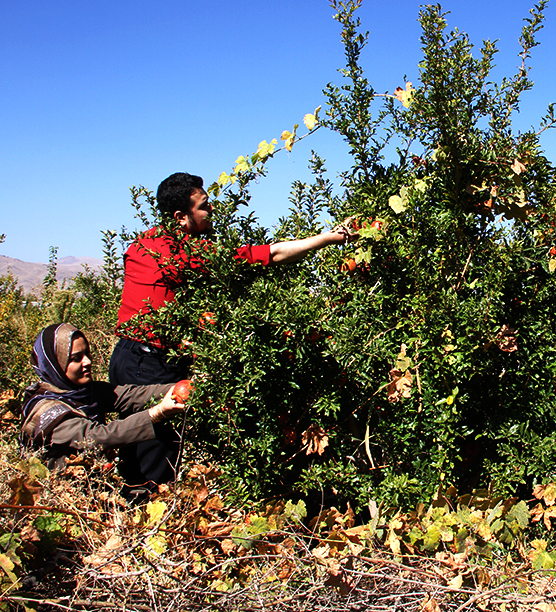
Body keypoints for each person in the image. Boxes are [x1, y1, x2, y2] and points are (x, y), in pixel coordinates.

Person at [110, 172, 354, 386]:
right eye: (204, 206)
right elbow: (274, 253)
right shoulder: (190, 256)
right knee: (158, 438)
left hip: (123, 358)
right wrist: (330, 238)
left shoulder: (140, 243)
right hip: (150, 365)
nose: (212, 210)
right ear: (181, 217)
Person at [20, 323, 186, 491]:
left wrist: (183, 388)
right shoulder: (47, 411)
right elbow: (97, 437)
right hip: (63, 498)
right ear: (55, 364)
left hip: (94, 488)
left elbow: (130, 395)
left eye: (87, 353)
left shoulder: (86, 391)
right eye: (76, 358)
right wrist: (157, 413)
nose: (88, 361)